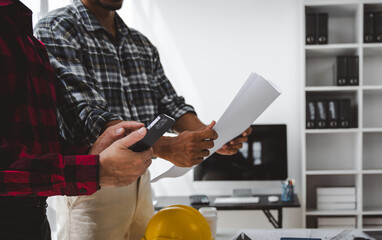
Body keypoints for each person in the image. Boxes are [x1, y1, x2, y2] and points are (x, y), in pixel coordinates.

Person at [34, 0, 251, 239]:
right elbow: (86, 115)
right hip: (94, 184)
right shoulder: (57, 28)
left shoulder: (141, 43)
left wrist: (212, 136)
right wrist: (166, 147)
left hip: (141, 179)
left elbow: (171, 105)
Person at [0, 0, 154, 239]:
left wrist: (89, 154)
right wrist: (91, 170)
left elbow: (36, 142)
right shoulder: (53, 28)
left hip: (34, 216)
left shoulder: (25, 36)